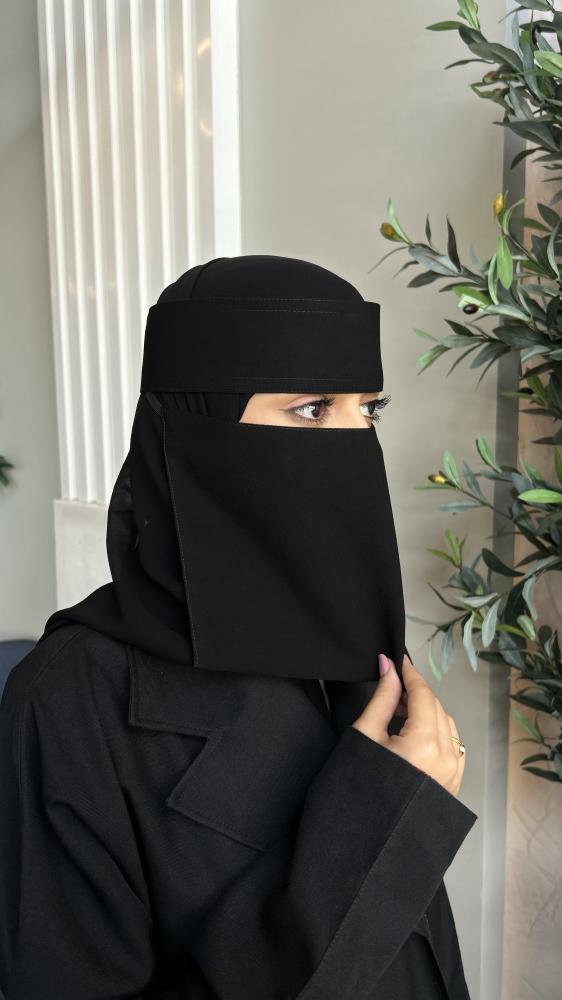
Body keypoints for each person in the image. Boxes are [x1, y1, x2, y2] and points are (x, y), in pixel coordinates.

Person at [0, 254, 477, 999]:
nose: (356, 441)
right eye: (313, 409)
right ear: (202, 428)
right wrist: (382, 822)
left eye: (369, 410)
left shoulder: (348, 643)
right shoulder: (68, 701)